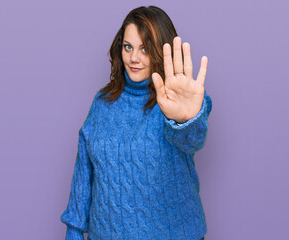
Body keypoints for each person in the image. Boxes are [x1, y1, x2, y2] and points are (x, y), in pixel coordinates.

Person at [60, 5, 212, 240]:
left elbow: (193, 139)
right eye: (128, 47)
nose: (133, 58)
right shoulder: (102, 103)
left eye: (145, 49)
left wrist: (186, 119)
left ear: (162, 51)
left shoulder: (178, 102)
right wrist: (74, 228)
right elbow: (84, 168)